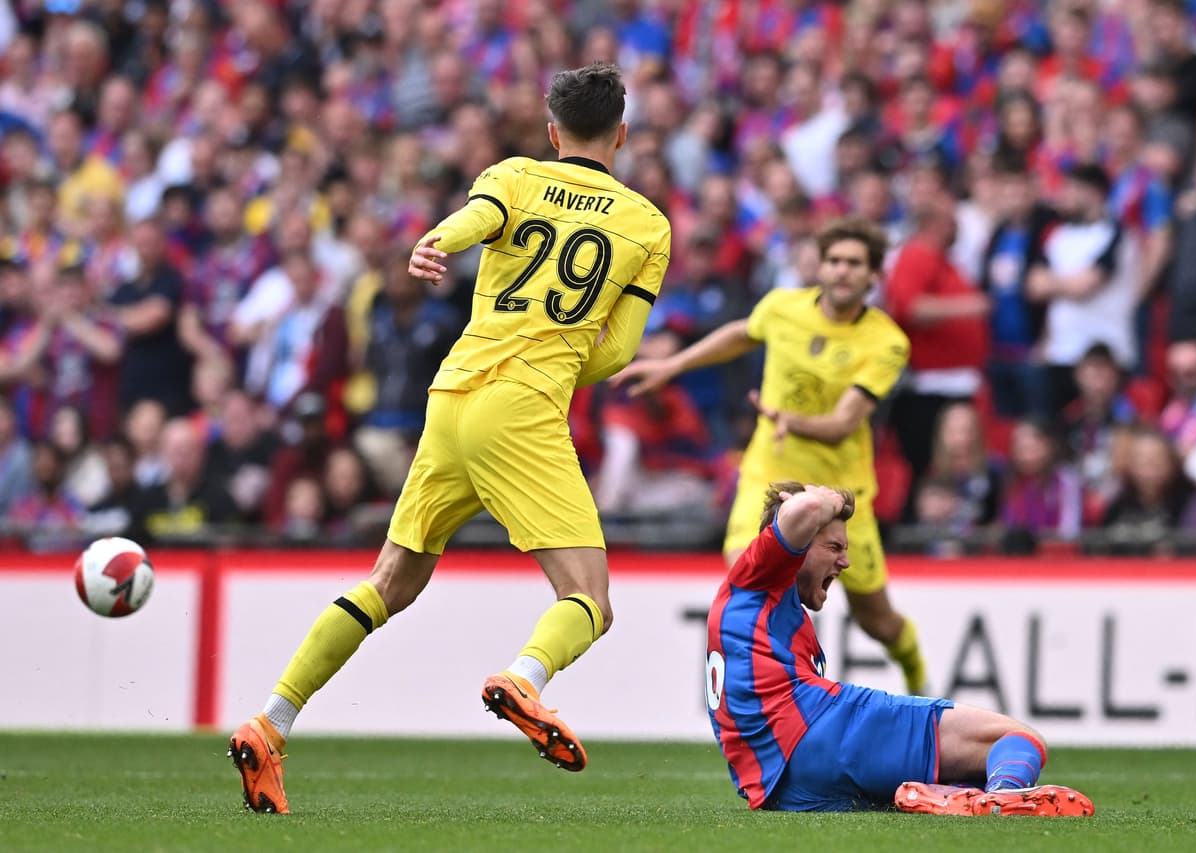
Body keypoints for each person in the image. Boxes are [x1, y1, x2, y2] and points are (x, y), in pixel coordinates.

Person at [229, 63, 671, 813]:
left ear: (551, 125)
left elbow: (475, 221)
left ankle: (272, 723)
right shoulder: (648, 225)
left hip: (450, 395)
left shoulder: (516, 174)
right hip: (523, 407)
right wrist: (558, 355)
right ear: (622, 133)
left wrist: (434, 243)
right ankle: (525, 679)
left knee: (391, 580)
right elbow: (620, 351)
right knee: (589, 596)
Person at [613, 217, 927, 695]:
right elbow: (744, 332)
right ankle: (784, 689)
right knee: (747, 568)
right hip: (772, 475)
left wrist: (789, 420)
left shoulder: (887, 341)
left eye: (854, 264)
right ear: (820, 267)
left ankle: (916, 671)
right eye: (835, 261)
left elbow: (844, 423)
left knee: (878, 620)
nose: (842, 271)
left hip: (842, 496)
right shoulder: (783, 308)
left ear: (872, 277)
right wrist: (673, 364)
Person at [705, 480, 1094, 816]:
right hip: (818, 734)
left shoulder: (763, 611)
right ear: (799, 542)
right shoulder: (756, 576)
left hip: (786, 789)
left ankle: (961, 797)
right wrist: (831, 500)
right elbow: (806, 507)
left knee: (969, 769)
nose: (845, 561)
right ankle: (1005, 800)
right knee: (1017, 739)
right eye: (834, 546)